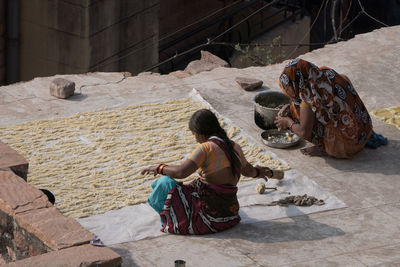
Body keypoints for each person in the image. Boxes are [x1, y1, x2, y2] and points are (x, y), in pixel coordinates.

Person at [141, 109, 273, 235]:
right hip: (229, 216)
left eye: (194, 134)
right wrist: (258, 172)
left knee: (163, 183)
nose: (195, 138)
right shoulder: (234, 147)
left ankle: (172, 219)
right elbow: (249, 171)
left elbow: (181, 172)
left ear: (200, 132)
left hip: (208, 218)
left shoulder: (206, 148)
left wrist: (159, 168)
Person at [274, 58, 373, 158]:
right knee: (300, 106)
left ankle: (328, 147)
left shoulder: (308, 98)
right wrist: (289, 106)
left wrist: (287, 122)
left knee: (298, 113)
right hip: (363, 129)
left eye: (289, 88)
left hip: (349, 143)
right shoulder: (324, 73)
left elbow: (304, 132)